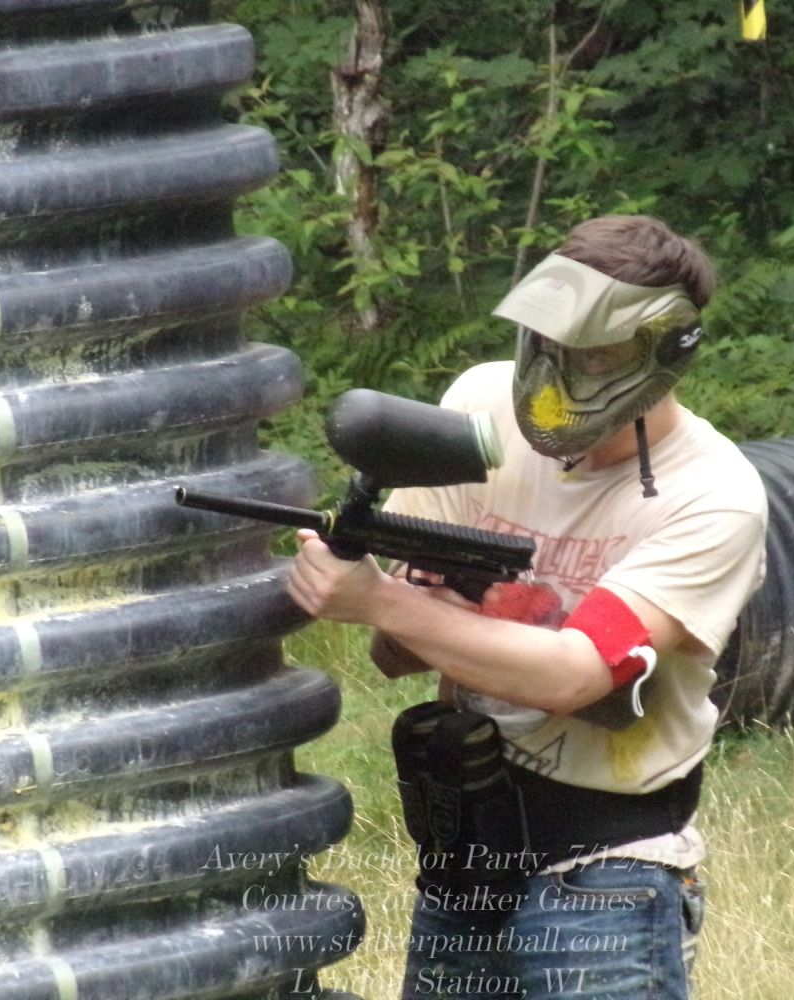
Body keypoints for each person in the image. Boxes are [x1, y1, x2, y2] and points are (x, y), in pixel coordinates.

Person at [288, 214, 768, 999]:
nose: (556, 376)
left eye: (594, 355)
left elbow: (575, 676)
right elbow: (395, 654)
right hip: (466, 850)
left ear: (665, 350)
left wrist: (381, 601)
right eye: (544, 345)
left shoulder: (711, 495)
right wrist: (389, 595)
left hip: (607, 871)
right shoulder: (480, 409)